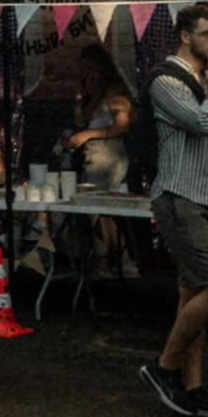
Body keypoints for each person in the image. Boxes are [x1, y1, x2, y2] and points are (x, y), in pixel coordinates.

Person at [140, 3, 208, 417]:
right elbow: (204, 123)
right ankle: (163, 369)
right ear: (184, 35)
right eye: (206, 34)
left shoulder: (201, 78)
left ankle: (193, 388)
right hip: (179, 197)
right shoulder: (165, 80)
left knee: (194, 295)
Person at [58, 44, 138, 278]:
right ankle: (124, 263)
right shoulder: (95, 94)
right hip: (93, 154)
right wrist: (80, 97)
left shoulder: (115, 92)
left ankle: (102, 264)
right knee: (106, 212)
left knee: (95, 208)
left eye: (90, 68)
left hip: (107, 155)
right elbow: (81, 122)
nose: (87, 72)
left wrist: (90, 134)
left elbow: (122, 125)